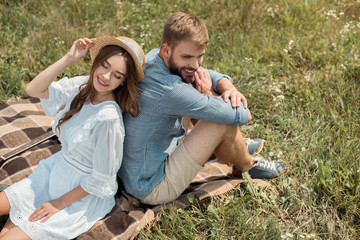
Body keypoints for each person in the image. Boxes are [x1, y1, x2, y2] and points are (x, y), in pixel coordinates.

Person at [117, 12, 287, 205]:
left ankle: (232, 145)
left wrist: (228, 87)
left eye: (200, 57)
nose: (195, 64)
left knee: (197, 87)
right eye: (187, 57)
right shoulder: (171, 91)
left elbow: (207, 74)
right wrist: (209, 95)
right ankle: (246, 164)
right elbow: (242, 115)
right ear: (166, 49)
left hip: (137, 169)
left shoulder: (154, 57)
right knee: (220, 121)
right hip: (149, 187)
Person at [0, 35, 145, 239]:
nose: (105, 77)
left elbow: (102, 178)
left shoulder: (108, 119)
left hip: (79, 194)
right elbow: (33, 89)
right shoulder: (84, 86)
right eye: (104, 65)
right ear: (98, 60)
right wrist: (70, 58)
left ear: (123, 82)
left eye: (117, 75)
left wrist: (58, 203)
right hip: (53, 171)